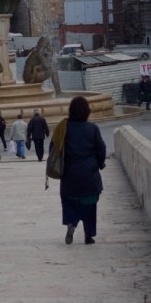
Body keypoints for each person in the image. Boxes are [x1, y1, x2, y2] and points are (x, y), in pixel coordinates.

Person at [51, 95, 106, 245]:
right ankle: (88, 235)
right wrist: (100, 164)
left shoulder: (63, 128)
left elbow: (54, 147)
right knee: (89, 205)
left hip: (69, 174)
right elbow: (101, 149)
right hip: (89, 174)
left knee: (69, 201)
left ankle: (71, 223)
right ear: (87, 111)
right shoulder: (92, 128)